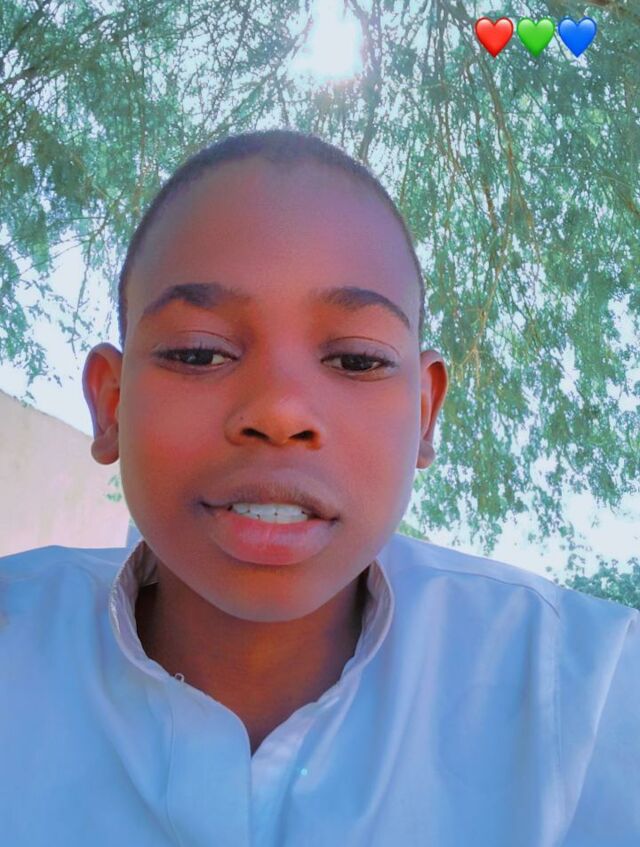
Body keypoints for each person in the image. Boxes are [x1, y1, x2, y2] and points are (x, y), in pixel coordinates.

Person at [1, 129, 638, 846]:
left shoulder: (588, 701)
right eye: (199, 352)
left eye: (357, 360)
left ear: (424, 415)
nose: (279, 411)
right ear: (112, 404)